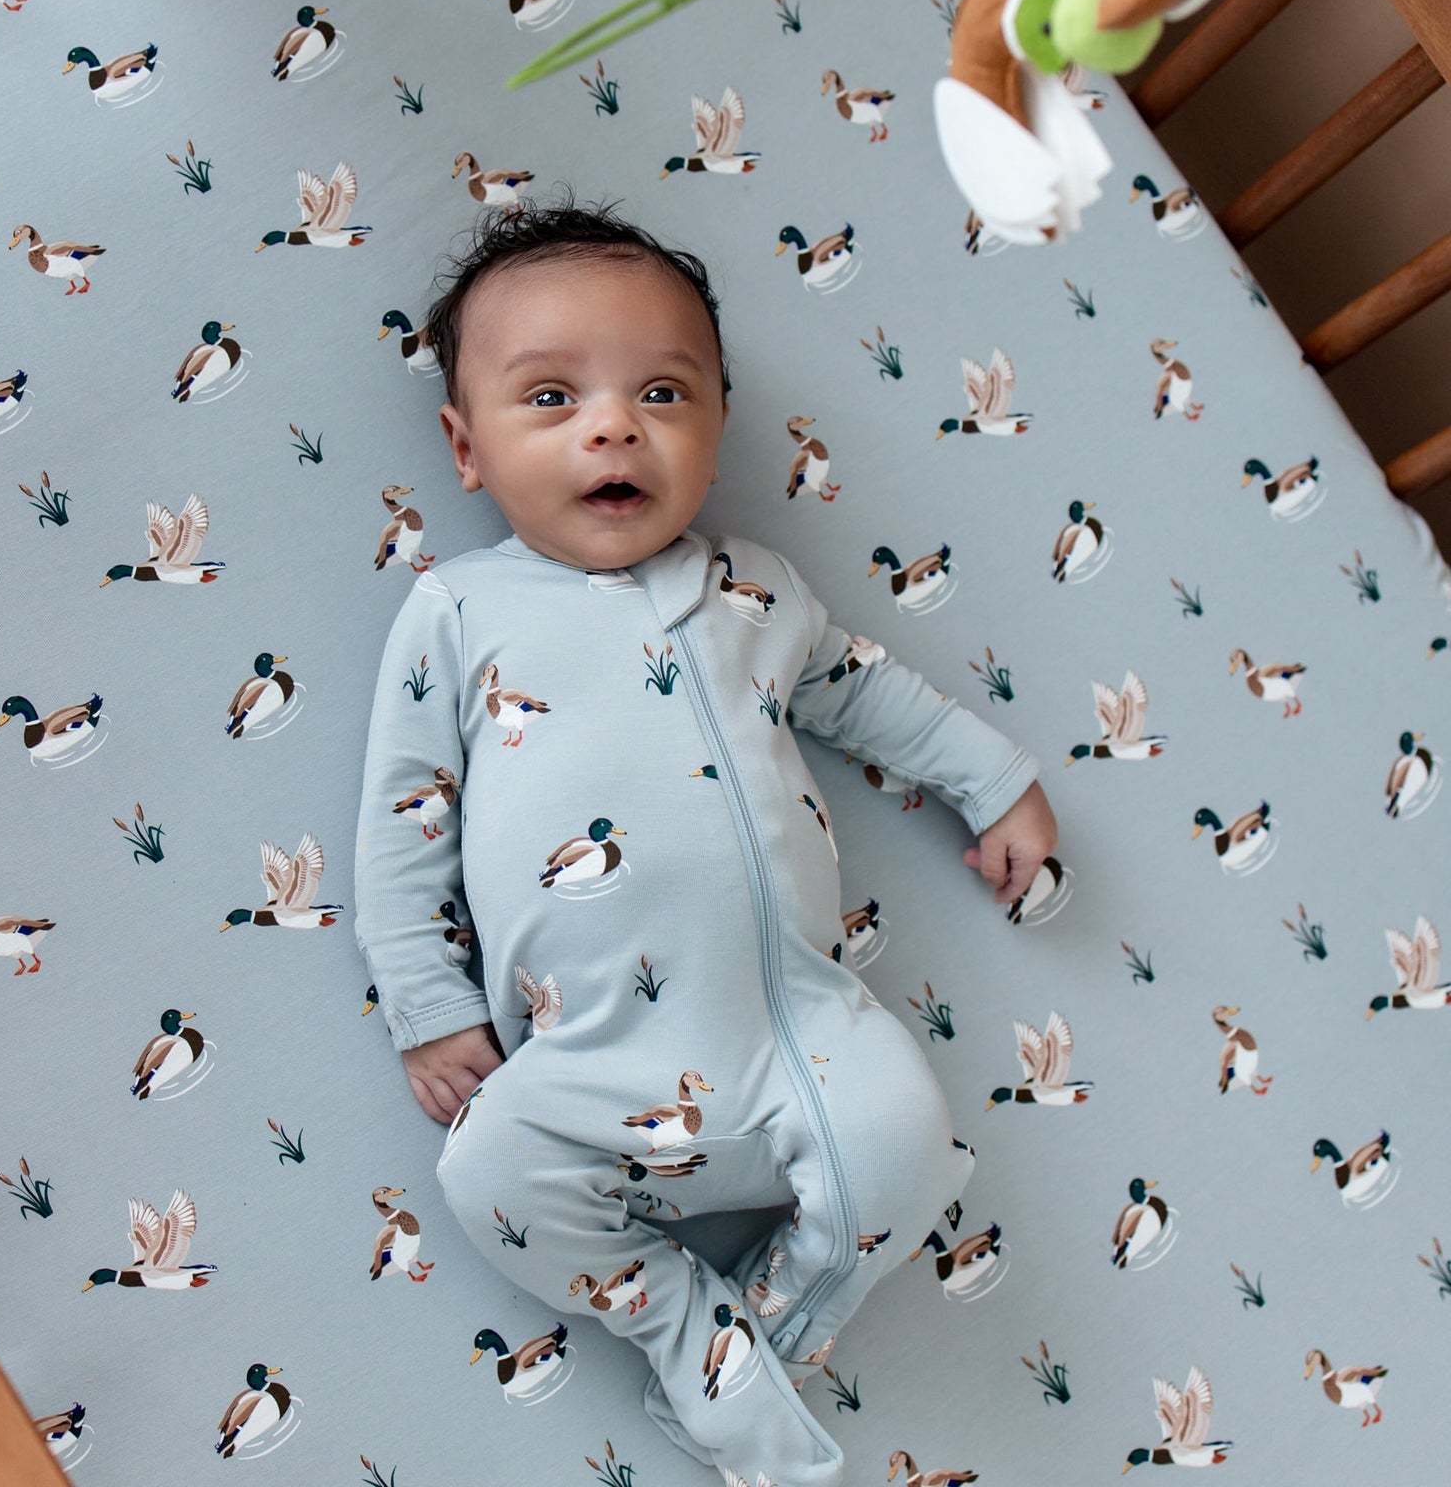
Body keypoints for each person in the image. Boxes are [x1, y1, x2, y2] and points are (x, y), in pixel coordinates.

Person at [353, 191, 1058, 1486]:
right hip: (585, 1055)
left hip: (798, 1027)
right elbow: (403, 822)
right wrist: (427, 1004)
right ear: (466, 447)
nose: (614, 425)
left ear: (718, 428)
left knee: (910, 1154)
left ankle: (757, 1345)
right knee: (488, 1177)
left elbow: (867, 697)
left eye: (663, 394)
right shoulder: (458, 611)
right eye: (551, 397)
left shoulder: (758, 591)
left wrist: (993, 781)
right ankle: (687, 1330)